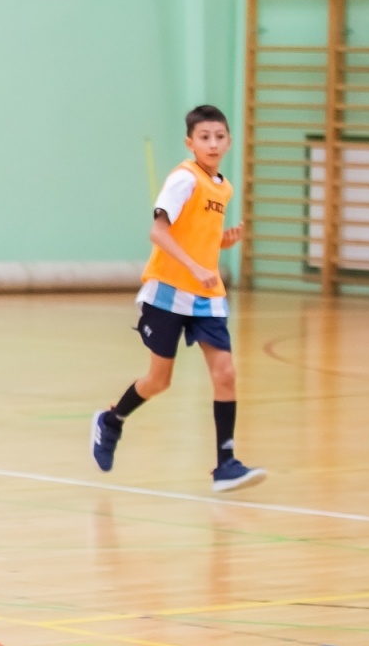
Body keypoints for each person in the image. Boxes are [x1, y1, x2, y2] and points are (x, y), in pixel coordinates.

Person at [91, 105, 264, 493]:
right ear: (190, 143)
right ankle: (111, 421)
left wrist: (221, 242)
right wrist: (194, 267)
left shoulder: (222, 185)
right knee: (159, 380)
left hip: (205, 296)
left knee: (226, 374)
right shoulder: (184, 179)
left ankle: (226, 465)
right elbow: (159, 232)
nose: (213, 143)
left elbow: (195, 233)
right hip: (167, 293)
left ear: (229, 141)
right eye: (204, 137)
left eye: (220, 136)